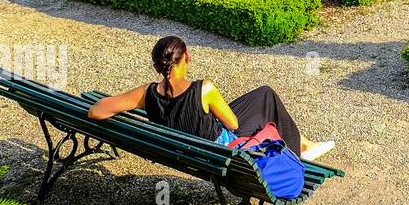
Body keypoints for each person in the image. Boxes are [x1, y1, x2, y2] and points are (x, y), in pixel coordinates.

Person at [87, 36, 335, 162]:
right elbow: (234, 125)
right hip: (218, 151)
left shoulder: (145, 94)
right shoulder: (203, 89)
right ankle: (298, 152)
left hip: (179, 150)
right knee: (266, 96)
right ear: (187, 58)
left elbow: (96, 111)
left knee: (259, 98)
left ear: (156, 66)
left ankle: (304, 142)